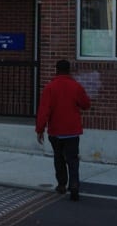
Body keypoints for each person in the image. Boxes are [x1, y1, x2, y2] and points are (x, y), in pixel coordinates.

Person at [36, 59, 91, 201]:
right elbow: (86, 104)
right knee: (72, 159)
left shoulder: (50, 87)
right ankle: (74, 185)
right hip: (72, 131)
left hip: (55, 131)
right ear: (69, 71)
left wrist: (40, 129)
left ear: (56, 70)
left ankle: (61, 184)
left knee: (58, 158)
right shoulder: (76, 86)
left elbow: (44, 111)